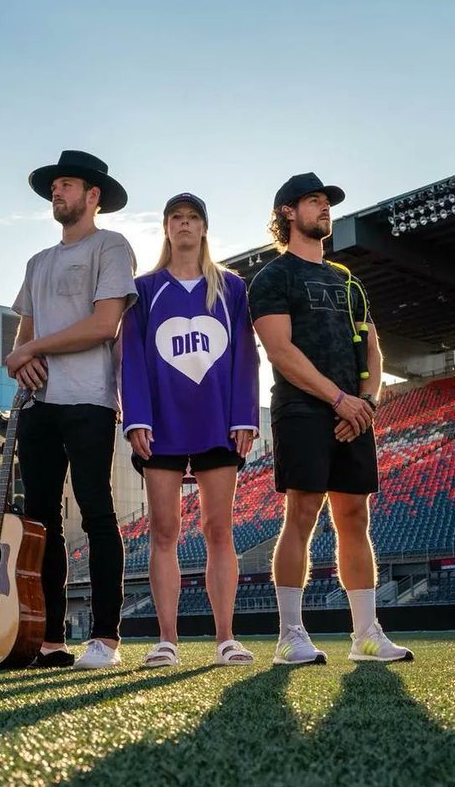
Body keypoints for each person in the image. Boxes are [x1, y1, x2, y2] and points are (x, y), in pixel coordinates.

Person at [247, 172, 413, 665]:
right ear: (287, 213)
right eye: (313, 202)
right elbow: (281, 351)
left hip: (353, 414)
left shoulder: (347, 281)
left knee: (354, 517)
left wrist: (365, 404)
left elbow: (374, 348)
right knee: (301, 513)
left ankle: (366, 634)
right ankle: (290, 636)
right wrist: (338, 399)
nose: (324, 209)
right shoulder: (274, 277)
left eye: (326, 203)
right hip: (302, 409)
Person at [7, 150, 137, 670]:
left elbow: (105, 325)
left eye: (66, 185)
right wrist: (22, 359)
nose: (57, 193)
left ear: (92, 196)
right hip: (39, 405)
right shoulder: (38, 262)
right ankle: (50, 639)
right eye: (54, 186)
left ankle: (105, 638)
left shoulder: (112, 246)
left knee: (97, 511)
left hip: (89, 399)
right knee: (40, 523)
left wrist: (32, 351)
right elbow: (23, 337)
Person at [120, 192, 260, 668]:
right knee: (164, 530)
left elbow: (246, 354)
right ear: (165, 228)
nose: (184, 224)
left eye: (193, 217)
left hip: (217, 421)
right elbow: (132, 361)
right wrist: (136, 416)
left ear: (204, 228)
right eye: (176, 218)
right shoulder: (144, 290)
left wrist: (245, 415)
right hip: (160, 424)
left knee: (218, 529)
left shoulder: (232, 288)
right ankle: (167, 641)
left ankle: (226, 638)